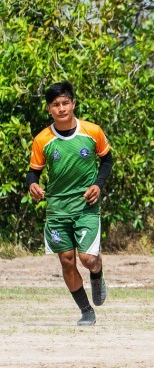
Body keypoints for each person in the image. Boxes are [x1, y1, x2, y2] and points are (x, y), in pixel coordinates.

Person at [27, 81, 113, 326]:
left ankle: (97, 275)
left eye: (65, 103)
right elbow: (33, 172)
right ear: (49, 109)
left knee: (88, 259)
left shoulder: (91, 131)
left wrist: (98, 184)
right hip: (57, 209)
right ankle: (86, 311)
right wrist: (32, 185)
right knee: (66, 260)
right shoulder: (43, 139)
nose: (61, 108)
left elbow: (107, 160)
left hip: (85, 206)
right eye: (56, 105)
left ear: (73, 104)